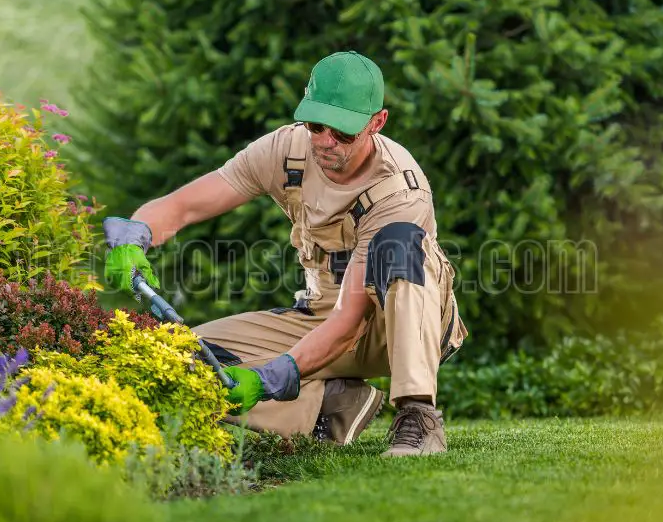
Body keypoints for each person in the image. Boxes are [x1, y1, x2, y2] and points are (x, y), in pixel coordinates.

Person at [101, 51, 468, 457]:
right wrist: (135, 238)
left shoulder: (399, 191)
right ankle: (329, 404)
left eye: (343, 132)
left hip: (393, 325)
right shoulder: (286, 150)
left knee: (399, 244)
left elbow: (350, 321)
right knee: (183, 359)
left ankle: (418, 416)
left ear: (376, 122)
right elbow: (185, 205)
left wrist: (269, 377)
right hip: (320, 316)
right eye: (316, 125)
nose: (326, 141)